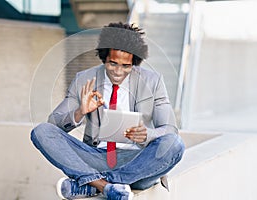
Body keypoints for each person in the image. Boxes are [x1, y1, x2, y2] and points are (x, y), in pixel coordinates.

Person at [31, 22, 185, 200]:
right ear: (104, 58)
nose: (118, 72)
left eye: (126, 66)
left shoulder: (153, 82)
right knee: (40, 131)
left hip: (138, 162)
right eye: (113, 64)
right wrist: (80, 111)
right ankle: (107, 186)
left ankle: (96, 185)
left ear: (134, 62)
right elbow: (54, 125)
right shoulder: (84, 79)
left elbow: (169, 129)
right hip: (95, 158)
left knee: (175, 144)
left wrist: (148, 134)